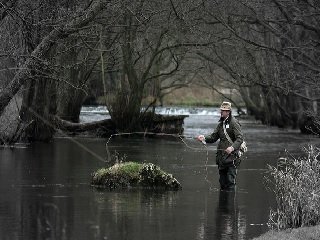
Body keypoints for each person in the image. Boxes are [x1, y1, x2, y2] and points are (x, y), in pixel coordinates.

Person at [197, 101, 243, 190]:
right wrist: (204, 138)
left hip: (232, 158)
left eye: (224, 110)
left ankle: (230, 203)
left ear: (228, 112)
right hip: (222, 159)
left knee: (230, 182)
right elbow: (213, 137)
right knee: (222, 183)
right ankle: (223, 203)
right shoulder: (220, 124)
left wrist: (232, 147)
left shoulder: (234, 123)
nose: (221, 112)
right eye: (221, 110)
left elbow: (240, 138)